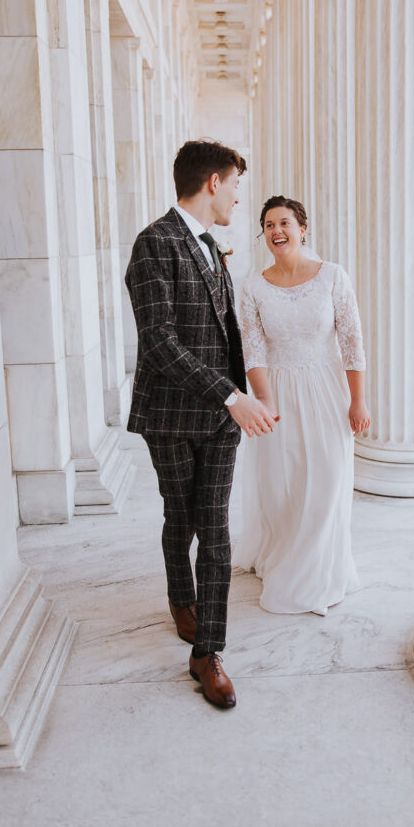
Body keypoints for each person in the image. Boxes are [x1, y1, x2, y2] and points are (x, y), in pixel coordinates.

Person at [125, 140, 278, 709]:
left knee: (214, 530)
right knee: (181, 516)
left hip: (221, 419)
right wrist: (230, 395)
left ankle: (207, 651)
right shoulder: (153, 244)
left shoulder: (214, 248)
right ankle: (179, 599)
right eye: (236, 184)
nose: (240, 194)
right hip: (169, 415)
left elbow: (228, 333)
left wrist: (249, 396)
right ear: (213, 182)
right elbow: (160, 342)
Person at [233, 196, 370, 615]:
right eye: (269, 225)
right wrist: (265, 402)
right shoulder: (253, 286)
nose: (277, 231)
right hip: (277, 393)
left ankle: (319, 569)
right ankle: (288, 556)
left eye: (285, 223)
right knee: (284, 484)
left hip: (328, 392)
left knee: (328, 478)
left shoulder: (332, 277)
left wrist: (359, 400)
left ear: (302, 228)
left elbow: (352, 341)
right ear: (263, 234)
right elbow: (252, 351)